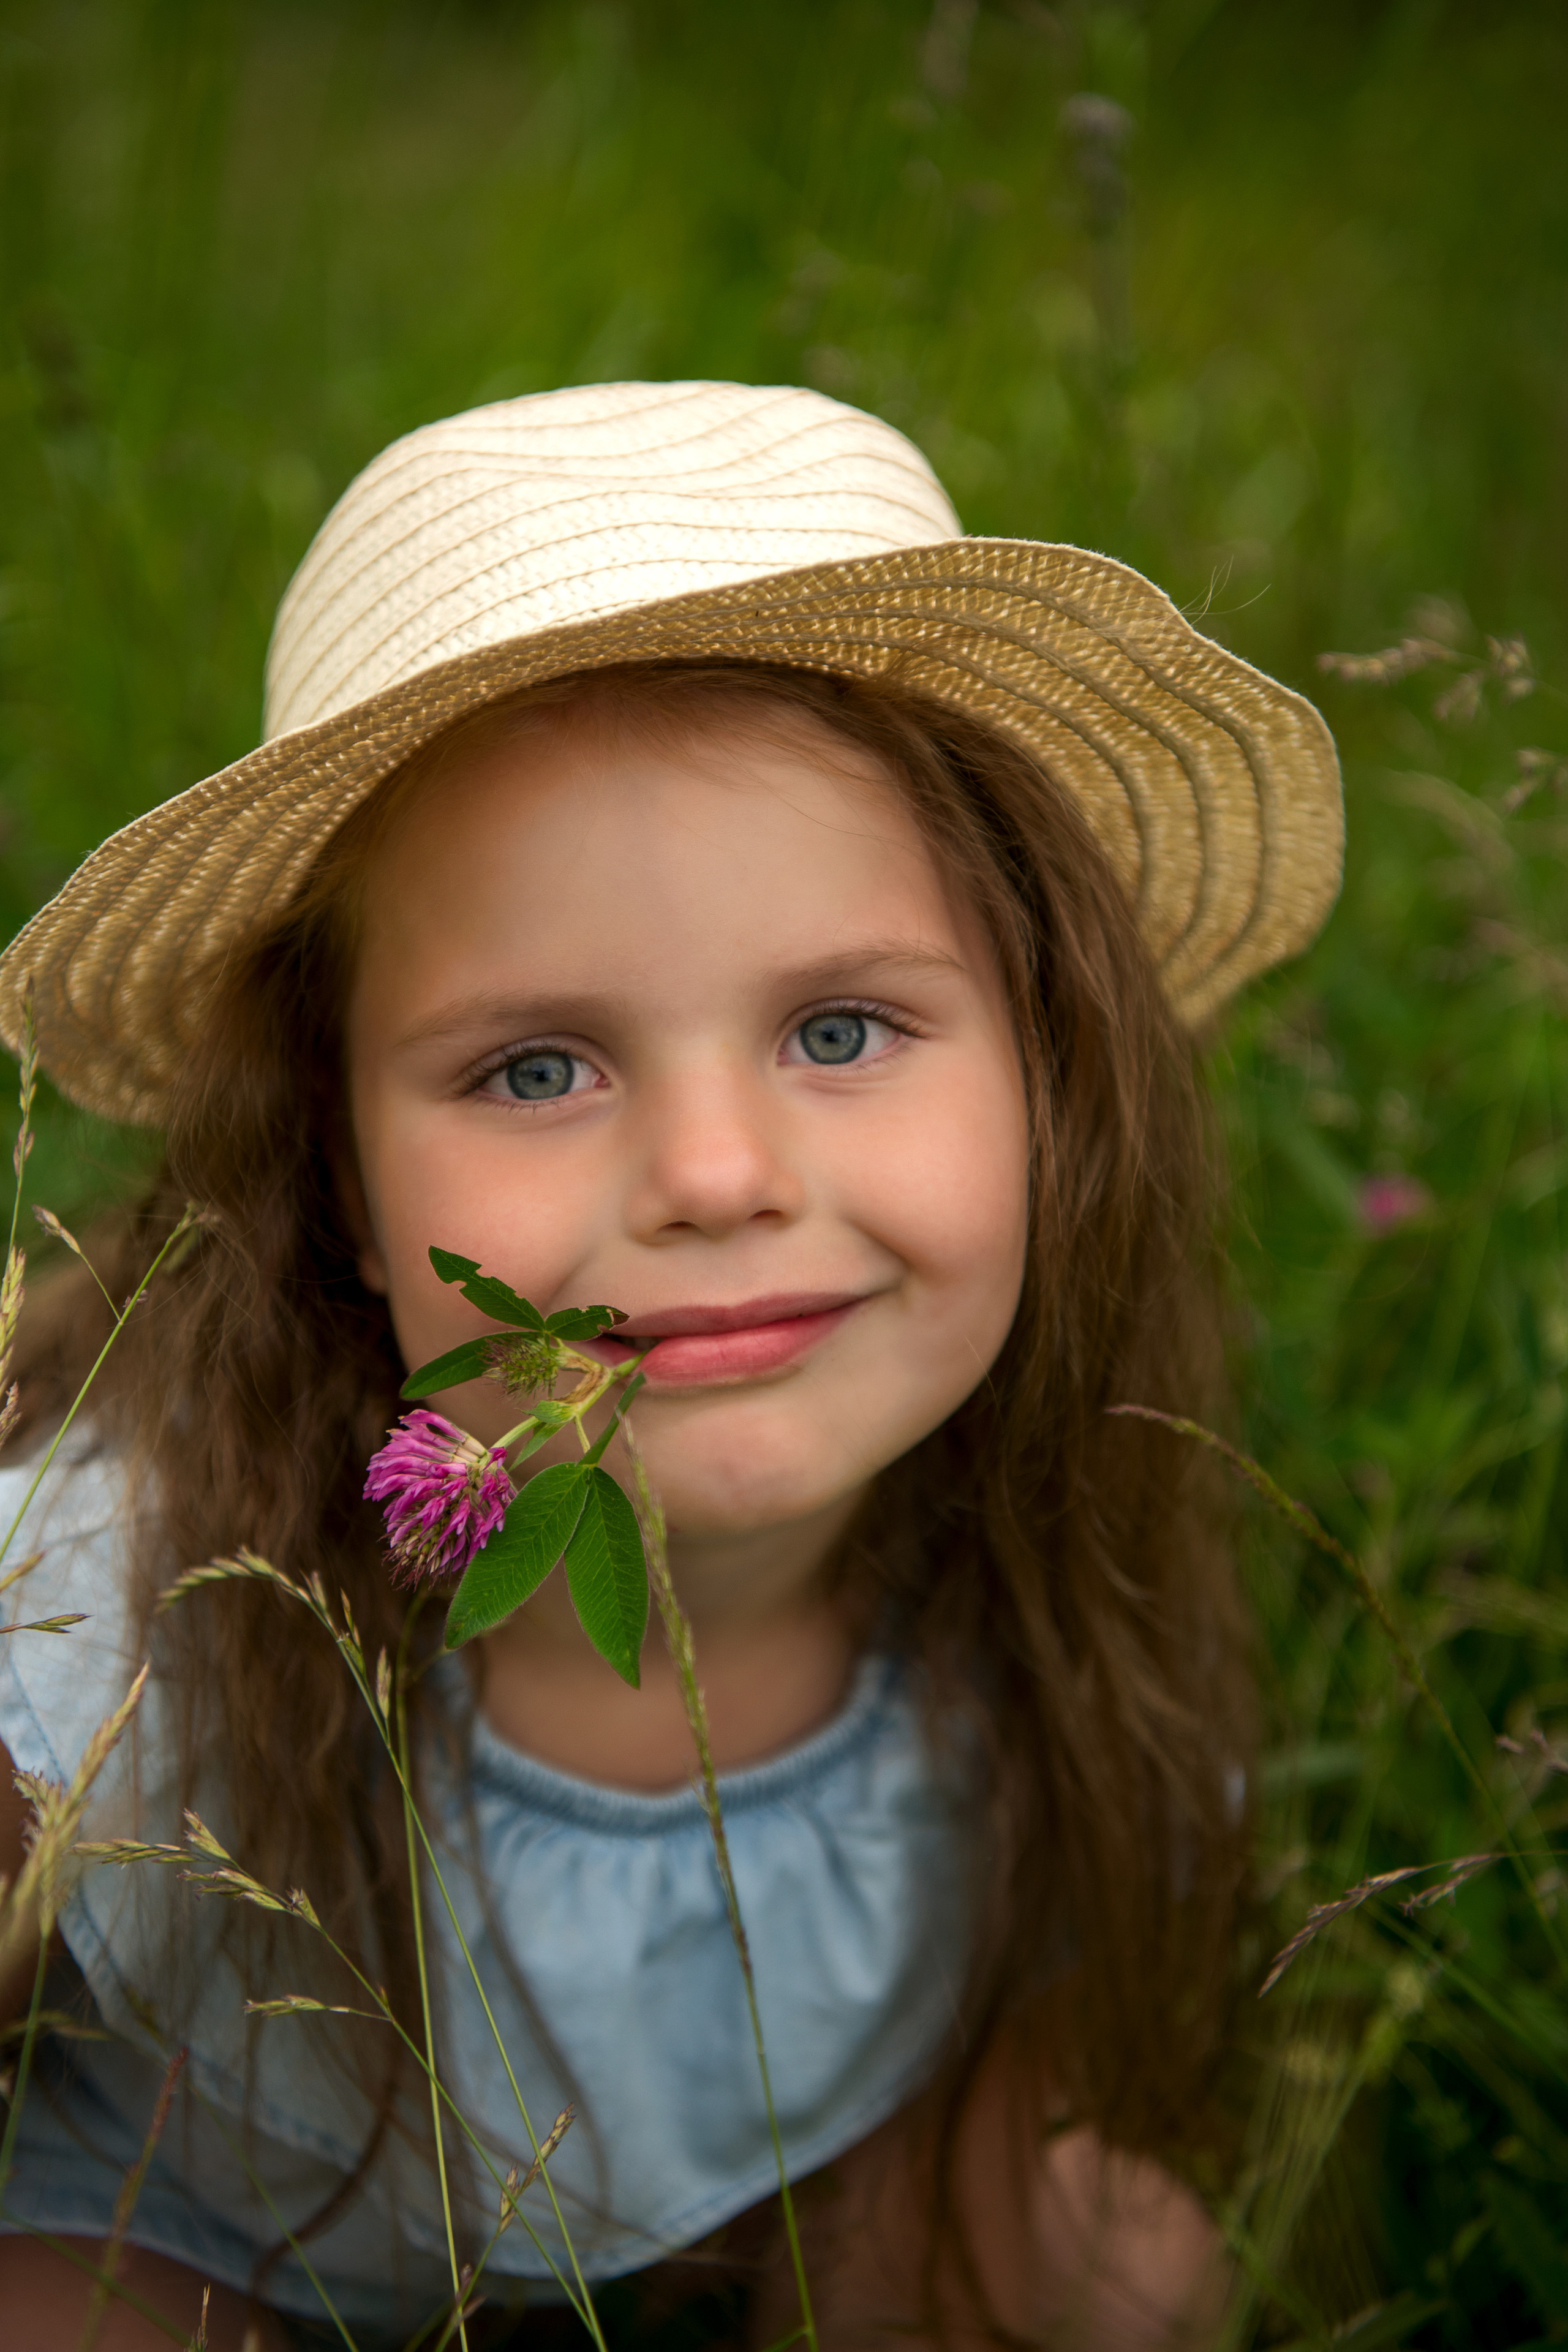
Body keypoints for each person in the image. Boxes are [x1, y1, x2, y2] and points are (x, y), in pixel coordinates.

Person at [0, 381, 1342, 2351]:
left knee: (1110, 2268)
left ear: (1050, 1082)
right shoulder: (120, 1626)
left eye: (844, 1030)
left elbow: (1007, 2067)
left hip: (757, 2209)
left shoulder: (1042, 1587)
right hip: (185, 2237)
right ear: (342, 1181)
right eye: (536, 1067)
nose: (716, 1179)